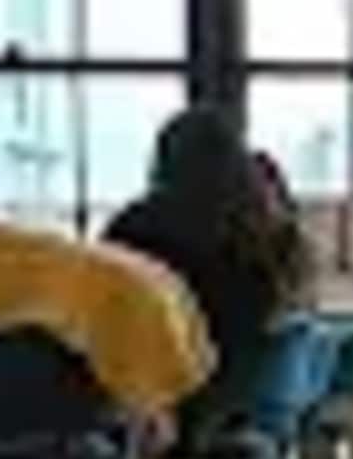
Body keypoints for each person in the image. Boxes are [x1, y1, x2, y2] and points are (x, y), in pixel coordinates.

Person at [105, 105, 313, 399]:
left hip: (158, 396)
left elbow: (110, 316)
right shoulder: (255, 233)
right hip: (233, 395)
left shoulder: (134, 226)